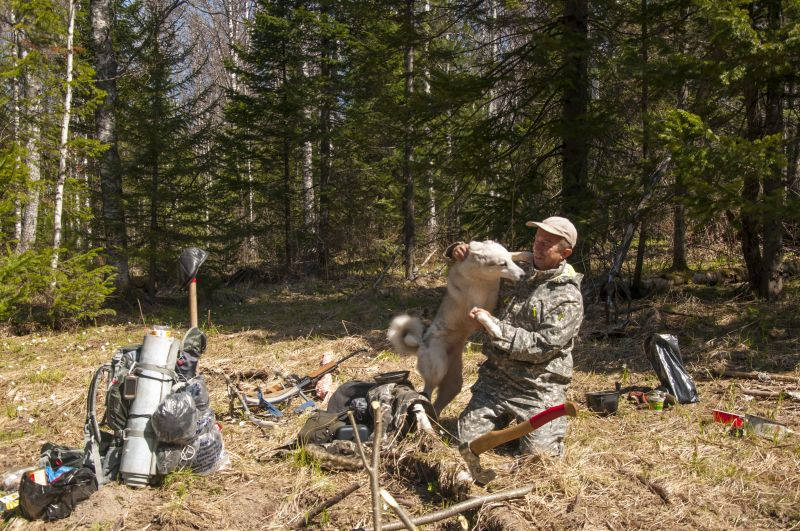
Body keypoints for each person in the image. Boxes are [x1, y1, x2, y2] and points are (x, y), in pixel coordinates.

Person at [448, 216, 584, 455]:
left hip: (537, 387)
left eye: (548, 243)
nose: (538, 246)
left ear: (565, 252)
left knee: (537, 456)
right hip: (496, 381)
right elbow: (477, 264)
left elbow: (542, 347)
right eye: (537, 239)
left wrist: (494, 326)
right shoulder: (514, 270)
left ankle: (548, 429)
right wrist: (457, 250)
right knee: (464, 443)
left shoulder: (567, 296)